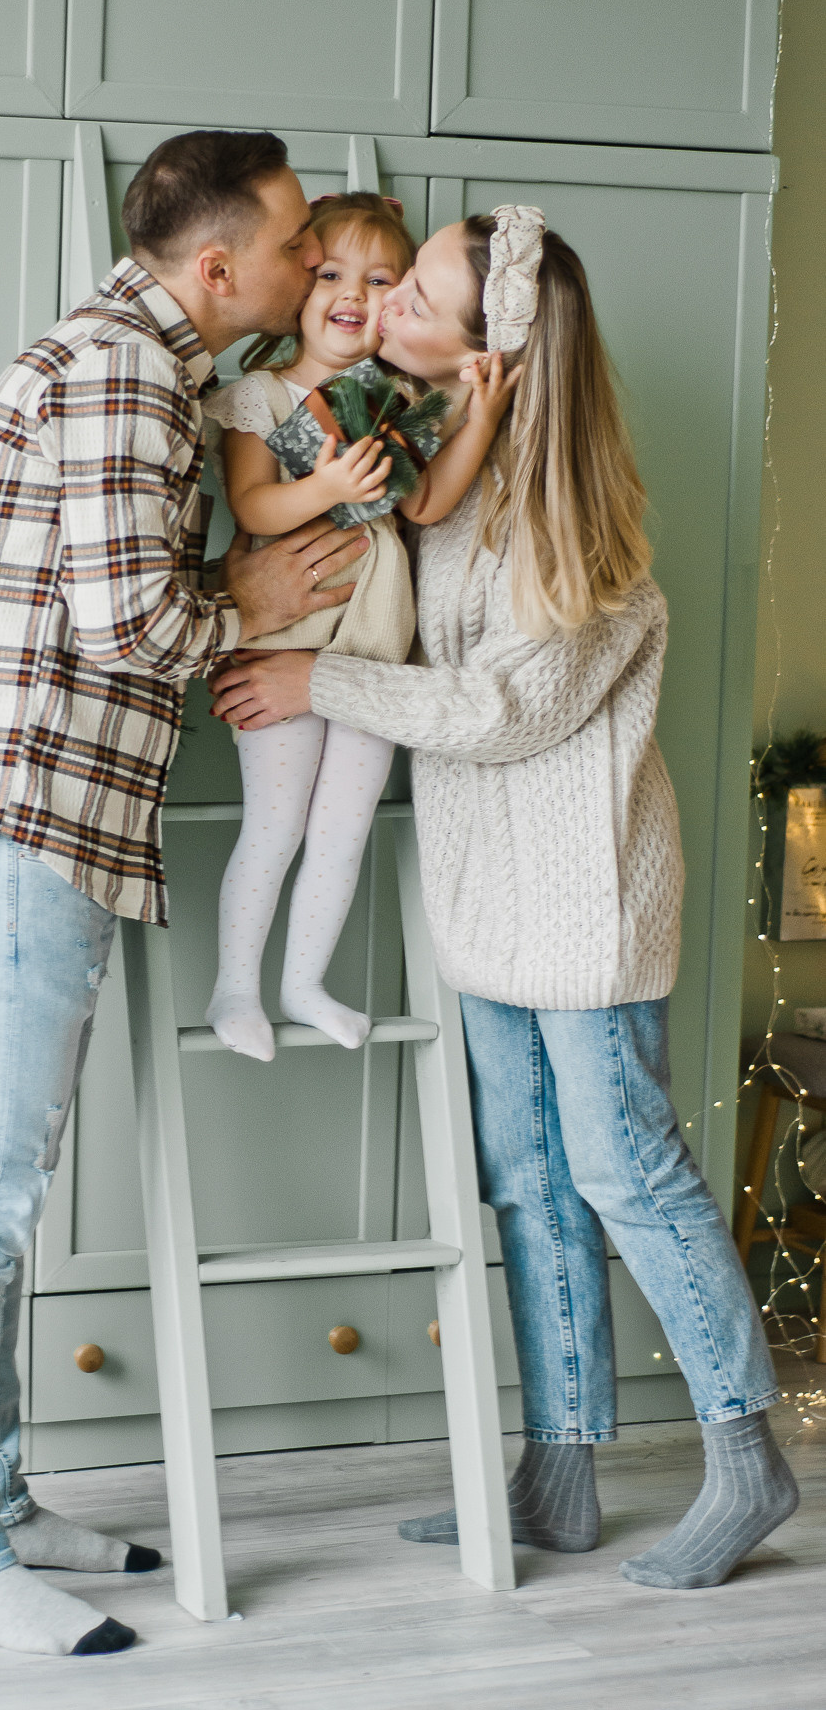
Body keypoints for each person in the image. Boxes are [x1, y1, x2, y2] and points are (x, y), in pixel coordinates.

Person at [209, 206, 799, 1590]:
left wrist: (320, 685)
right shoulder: (443, 475)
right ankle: (559, 1470)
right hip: (482, 895)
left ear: (501, 348)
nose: (384, 306)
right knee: (529, 1184)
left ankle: (747, 1457)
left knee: (626, 1176)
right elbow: (337, 554)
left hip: (585, 900)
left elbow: (503, 706)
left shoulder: (578, 531)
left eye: (418, 293)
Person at [0, 129, 372, 1658]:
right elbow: (133, 624)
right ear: (217, 269)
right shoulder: (121, 377)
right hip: (13, 836)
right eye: (291, 245)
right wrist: (257, 601)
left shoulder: (152, 372)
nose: (305, 271)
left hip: (28, 838)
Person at [202, 193, 518, 1061]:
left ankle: (305, 983)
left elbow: (426, 501)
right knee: (276, 828)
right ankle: (237, 986)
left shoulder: (391, 395)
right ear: (301, 291)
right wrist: (329, 490)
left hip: (375, 652)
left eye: (382, 279)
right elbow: (253, 505)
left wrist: (479, 417)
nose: (354, 291)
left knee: (342, 833)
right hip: (290, 645)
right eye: (332, 274)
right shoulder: (260, 396)